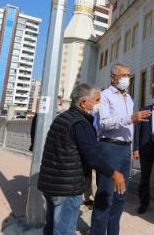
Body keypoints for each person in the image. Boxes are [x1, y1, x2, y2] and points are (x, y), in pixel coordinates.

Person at [38, 84, 126, 235]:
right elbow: (93, 158)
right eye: (97, 100)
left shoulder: (62, 118)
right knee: (64, 230)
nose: (100, 104)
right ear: (83, 103)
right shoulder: (80, 124)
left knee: (51, 227)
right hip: (68, 187)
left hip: (52, 184)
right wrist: (114, 174)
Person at [91, 63, 151, 235]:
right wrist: (130, 118)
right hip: (109, 148)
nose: (126, 78)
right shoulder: (105, 96)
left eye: (128, 75)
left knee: (120, 197)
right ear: (113, 77)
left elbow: (130, 128)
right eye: (123, 75)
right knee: (105, 195)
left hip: (125, 150)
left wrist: (132, 147)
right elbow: (104, 123)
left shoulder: (129, 98)